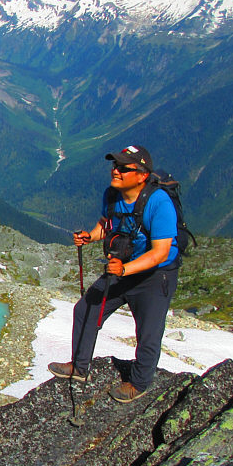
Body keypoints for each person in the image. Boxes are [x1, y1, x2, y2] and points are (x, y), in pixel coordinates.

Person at [48, 145, 180, 403]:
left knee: (148, 331)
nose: (115, 171)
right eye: (115, 165)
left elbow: (160, 253)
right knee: (86, 309)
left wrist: (125, 269)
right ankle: (79, 367)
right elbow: (107, 223)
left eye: (123, 168)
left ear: (142, 175)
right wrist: (90, 237)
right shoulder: (113, 195)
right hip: (123, 267)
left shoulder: (159, 202)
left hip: (155, 275)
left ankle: (138, 384)